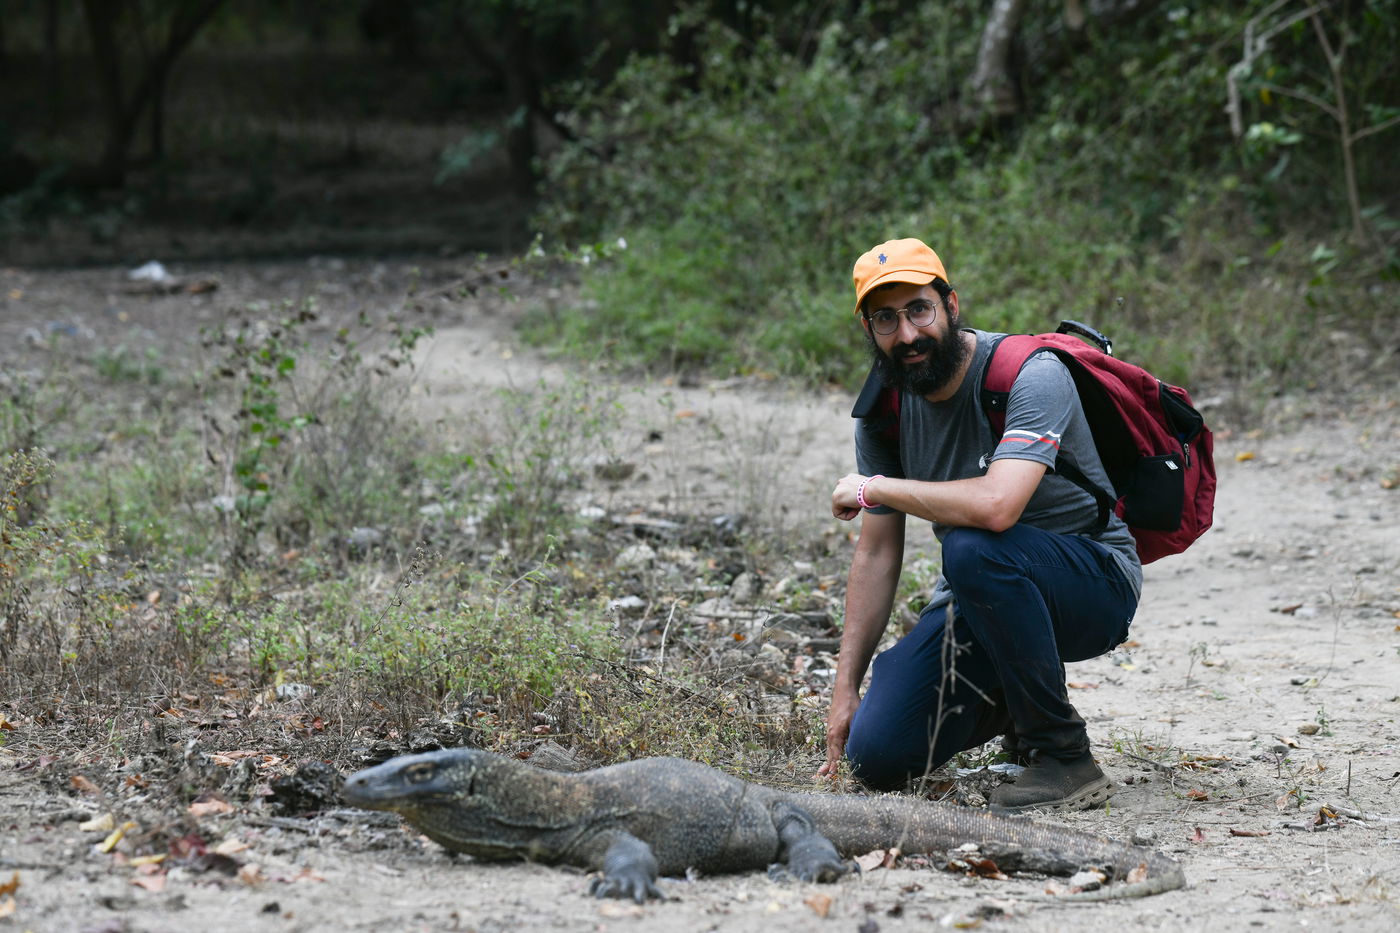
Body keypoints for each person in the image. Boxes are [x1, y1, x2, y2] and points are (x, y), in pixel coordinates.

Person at [819, 238, 1141, 811]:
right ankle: (1014, 701)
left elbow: (998, 507)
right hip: (981, 596)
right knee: (878, 757)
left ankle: (1062, 754)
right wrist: (845, 689)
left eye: (919, 310)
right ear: (869, 329)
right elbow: (877, 553)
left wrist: (874, 488)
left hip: (1092, 582)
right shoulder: (883, 414)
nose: (907, 334)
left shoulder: (1029, 374)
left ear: (950, 305)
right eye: (886, 319)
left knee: (973, 546)